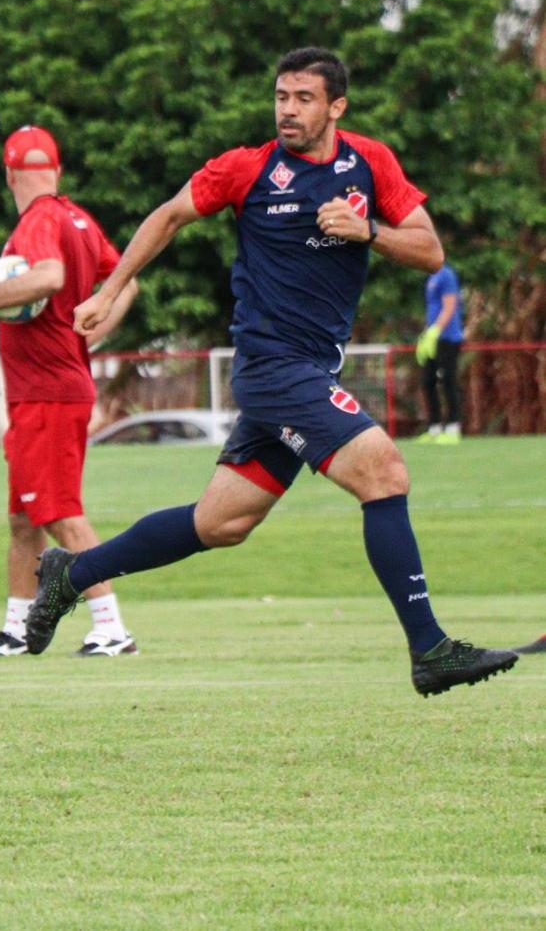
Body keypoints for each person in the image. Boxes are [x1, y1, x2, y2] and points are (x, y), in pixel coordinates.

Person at [28, 48, 518, 696]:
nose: (288, 109)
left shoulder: (369, 163)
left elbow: (430, 251)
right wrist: (108, 290)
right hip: (272, 368)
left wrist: (365, 228)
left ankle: (71, 571)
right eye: (282, 96)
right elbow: (170, 215)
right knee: (385, 472)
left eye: (304, 98)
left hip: (307, 371)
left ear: (336, 107)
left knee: (221, 523)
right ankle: (431, 649)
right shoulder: (248, 169)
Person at [0, 126, 139, 657]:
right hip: (43, 388)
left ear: (9, 174)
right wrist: (94, 326)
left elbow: (47, 276)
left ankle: (111, 627)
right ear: (57, 170)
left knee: (61, 513)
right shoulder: (77, 218)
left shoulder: (39, 219)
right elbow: (126, 282)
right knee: (23, 518)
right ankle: (17, 629)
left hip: (48, 391)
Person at [417, 262, 465, 443]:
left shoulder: (447, 275)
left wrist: (436, 330)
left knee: (448, 380)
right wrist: (425, 335)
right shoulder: (430, 277)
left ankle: (453, 427)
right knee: (428, 381)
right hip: (432, 338)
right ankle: (434, 427)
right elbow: (432, 309)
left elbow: (450, 306)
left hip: (448, 337)